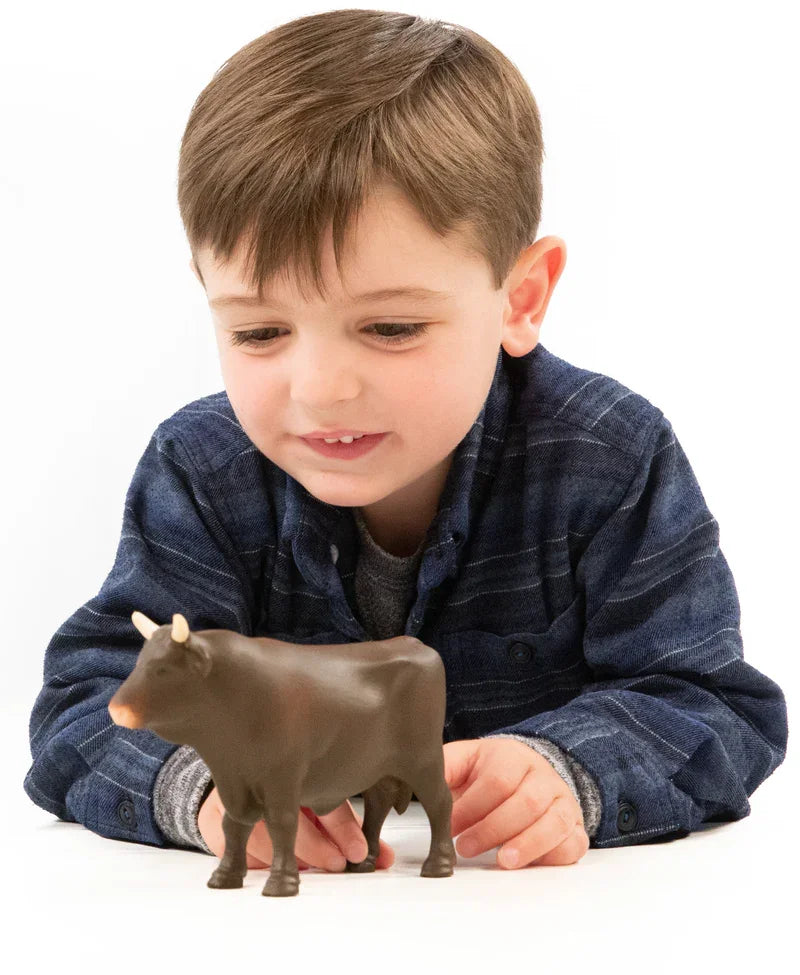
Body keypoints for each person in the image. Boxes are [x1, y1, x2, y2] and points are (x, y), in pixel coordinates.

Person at [23, 9, 787, 875]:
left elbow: (713, 702)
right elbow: (87, 700)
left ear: (521, 299)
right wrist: (204, 788)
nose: (321, 388)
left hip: (523, 920)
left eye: (390, 327)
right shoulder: (202, 471)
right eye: (260, 332)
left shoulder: (611, 458)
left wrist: (571, 770)